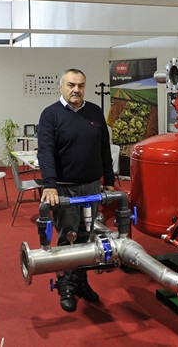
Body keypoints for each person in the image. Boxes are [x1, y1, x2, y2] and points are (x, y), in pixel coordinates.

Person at [37, 68, 115, 312]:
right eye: (71, 85)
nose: (76, 90)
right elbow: (45, 151)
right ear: (61, 86)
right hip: (65, 188)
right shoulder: (50, 115)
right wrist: (50, 184)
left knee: (86, 236)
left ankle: (80, 280)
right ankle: (66, 285)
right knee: (68, 236)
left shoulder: (95, 112)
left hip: (91, 186)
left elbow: (104, 148)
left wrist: (109, 179)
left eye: (80, 85)